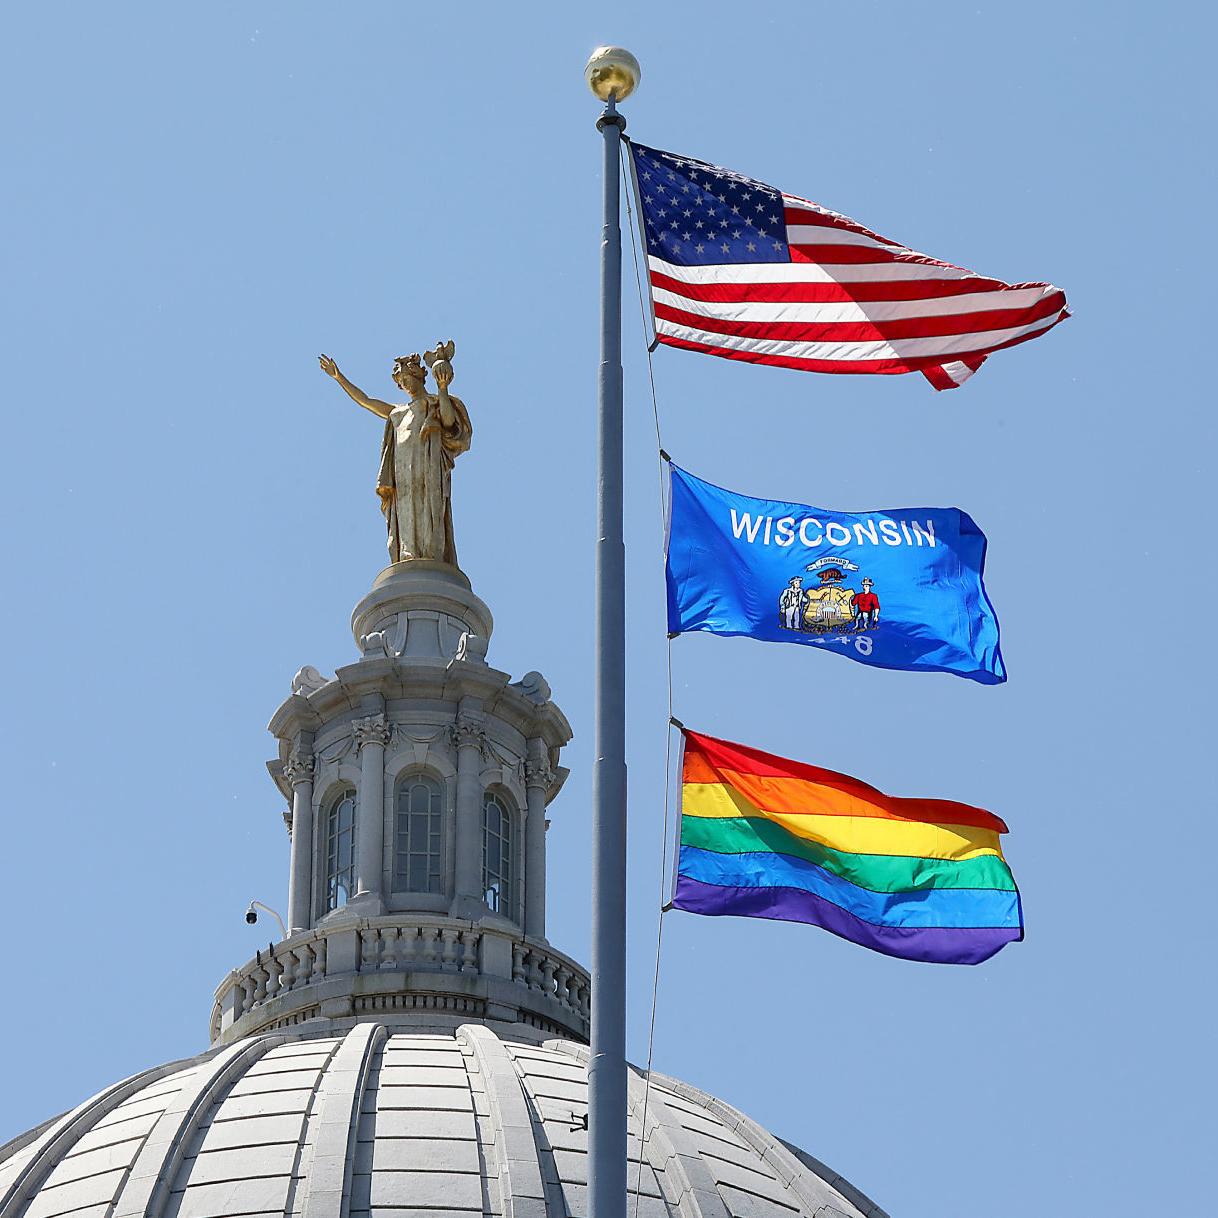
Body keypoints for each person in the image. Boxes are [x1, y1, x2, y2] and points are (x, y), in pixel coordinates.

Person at [319, 348, 473, 566]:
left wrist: (443, 389)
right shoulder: (397, 412)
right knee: (405, 508)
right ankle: (407, 553)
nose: (404, 385)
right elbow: (366, 400)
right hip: (401, 468)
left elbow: (449, 423)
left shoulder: (434, 403)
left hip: (427, 462)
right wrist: (339, 377)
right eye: (401, 381)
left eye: (407, 378)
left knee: (430, 505)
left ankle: (431, 553)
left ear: (419, 375)